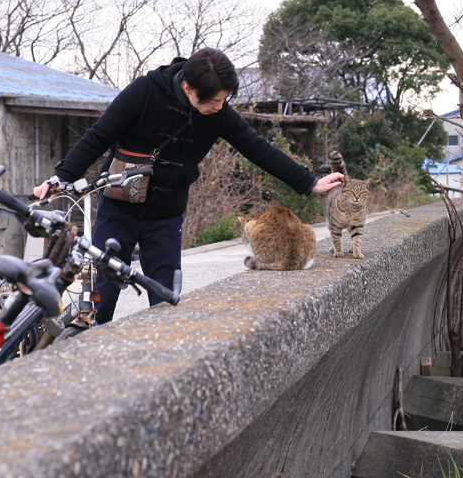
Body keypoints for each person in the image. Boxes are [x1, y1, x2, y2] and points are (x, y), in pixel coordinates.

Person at [34, 47, 343, 322]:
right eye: (212, 100)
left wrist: (308, 183)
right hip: (120, 204)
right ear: (187, 86)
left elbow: (258, 148)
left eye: (224, 100)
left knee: (167, 298)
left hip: (167, 211)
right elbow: (99, 135)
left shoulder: (219, 113)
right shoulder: (145, 91)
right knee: (104, 290)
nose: (219, 106)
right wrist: (61, 176)